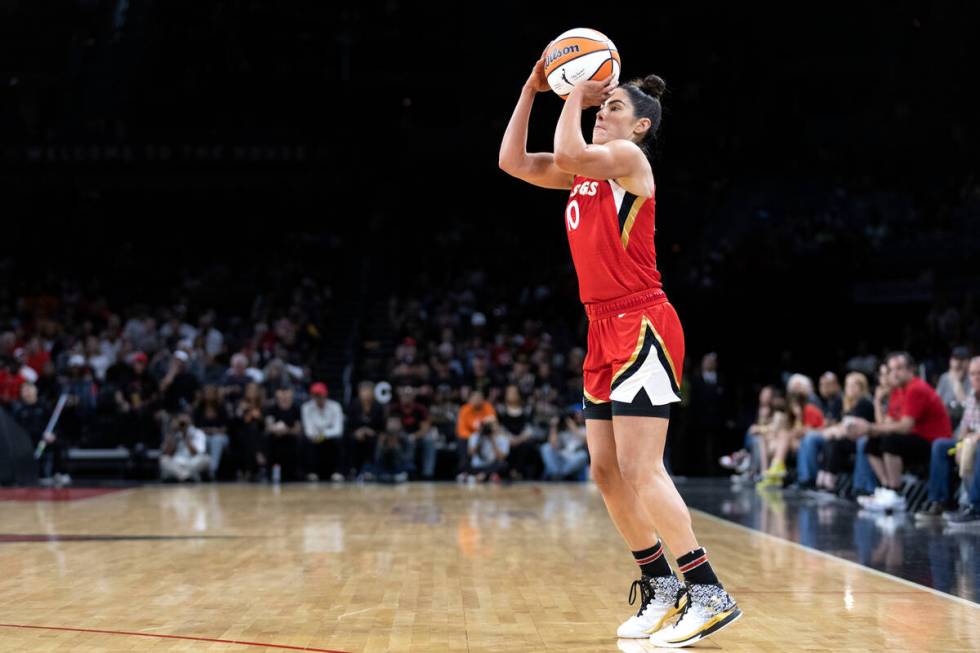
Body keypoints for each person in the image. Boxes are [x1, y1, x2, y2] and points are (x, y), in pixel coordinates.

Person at [499, 54, 739, 646]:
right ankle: (659, 584)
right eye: (599, 105)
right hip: (600, 327)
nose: (602, 112)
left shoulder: (629, 161)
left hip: (642, 323)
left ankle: (708, 591)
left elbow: (576, 152)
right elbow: (511, 161)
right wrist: (533, 90)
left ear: (640, 126)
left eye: (613, 108)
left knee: (641, 467)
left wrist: (573, 101)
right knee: (606, 473)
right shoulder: (583, 173)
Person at [849, 352, 953, 512]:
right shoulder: (898, 391)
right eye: (891, 369)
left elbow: (905, 426)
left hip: (933, 442)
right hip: (915, 438)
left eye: (899, 368)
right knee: (872, 442)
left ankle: (895, 493)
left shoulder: (916, 388)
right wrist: (875, 410)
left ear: (911, 370)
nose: (894, 373)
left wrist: (870, 427)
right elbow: (886, 424)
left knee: (891, 441)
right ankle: (887, 489)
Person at [916, 356, 980, 521]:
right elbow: (964, 428)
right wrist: (961, 444)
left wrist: (969, 441)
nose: (976, 377)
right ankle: (939, 501)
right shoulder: (973, 395)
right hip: (968, 443)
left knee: (977, 449)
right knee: (941, 446)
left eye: (979, 373)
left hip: (976, 445)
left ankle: (975, 507)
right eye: (972, 374)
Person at [816, 372, 875, 492]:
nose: (850, 389)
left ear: (862, 387)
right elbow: (839, 424)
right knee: (832, 442)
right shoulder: (848, 405)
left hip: (860, 439)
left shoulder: (865, 403)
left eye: (854, 386)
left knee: (836, 442)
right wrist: (835, 430)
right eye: (848, 385)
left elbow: (853, 427)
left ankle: (830, 478)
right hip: (848, 439)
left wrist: (835, 431)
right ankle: (824, 475)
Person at [301, 382, 345, 482]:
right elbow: (309, 430)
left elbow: (338, 430)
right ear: (312, 396)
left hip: (330, 439)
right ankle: (311, 472)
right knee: (306, 441)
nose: (318, 398)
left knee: (339, 441)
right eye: (315, 395)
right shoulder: (306, 408)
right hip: (315, 439)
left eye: (320, 395)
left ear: (325, 394)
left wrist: (323, 434)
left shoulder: (335, 406)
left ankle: (338, 472)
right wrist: (320, 434)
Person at [346, 381, 385, 478]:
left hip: (373, 435)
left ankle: (370, 470)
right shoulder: (353, 405)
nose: (366, 393)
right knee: (352, 440)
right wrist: (357, 432)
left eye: (368, 391)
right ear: (359, 393)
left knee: (374, 441)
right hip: (356, 434)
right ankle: (352, 469)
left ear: (373, 393)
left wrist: (373, 432)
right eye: (363, 391)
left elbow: (381, 426)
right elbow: (349, 424)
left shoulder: (378, 406)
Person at [265, 387, 303, 483]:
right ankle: (270, 473)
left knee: (297, 440)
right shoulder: (271, 408)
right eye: (282, 393)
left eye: (286, 393)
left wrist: (287, 430)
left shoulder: (296, 408)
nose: (284, 396)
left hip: (290, 436)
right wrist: (276, 430)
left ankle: (294, 473)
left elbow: (297, 428)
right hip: (275, 436)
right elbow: (268, 426)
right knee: (268, 438)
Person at [540, 408, 589, 480]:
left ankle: (559, 475)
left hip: (573, 458)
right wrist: (554, 426)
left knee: (583, 456)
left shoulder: (583, 429)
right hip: (561, 457)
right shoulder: (561, 430)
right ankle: (556, 474)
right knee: (546, 447)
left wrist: (571, 426)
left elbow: (586, 441)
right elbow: (553, 445)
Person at [193, 385, 230, 480]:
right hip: (203, 437)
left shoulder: (221, 408)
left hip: (220, 437)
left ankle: (212, 470)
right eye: (207, 392)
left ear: (216, 394)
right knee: (202, 440)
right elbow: (195, 428)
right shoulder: (199, 408)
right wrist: (207, 431)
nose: (209, 395)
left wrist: (214, 431)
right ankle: (198, 470)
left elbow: (225, 428)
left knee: (216, 440)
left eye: (211, 392)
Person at [160, 414, 210, 482]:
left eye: (184, 423)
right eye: (180, 422)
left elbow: (196, 453)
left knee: (206, 459)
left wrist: (186, 436)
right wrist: (172, 434)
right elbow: (168, 453)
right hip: (176, 463)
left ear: (190, 422)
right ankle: (187, 476)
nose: (182, 425)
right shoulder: (173, 433)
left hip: (192, 462)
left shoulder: (197, 433)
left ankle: (182, 476)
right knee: (164, 460)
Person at [935, 346, 972, 428]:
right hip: (944, 418)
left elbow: (967, 407)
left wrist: (956, 382)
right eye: (955, 359)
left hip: (962, 421)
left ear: (968, 362)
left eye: (961, 360)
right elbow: (936, 402)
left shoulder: (973, 378)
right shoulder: (944, 378)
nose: (958, 363)